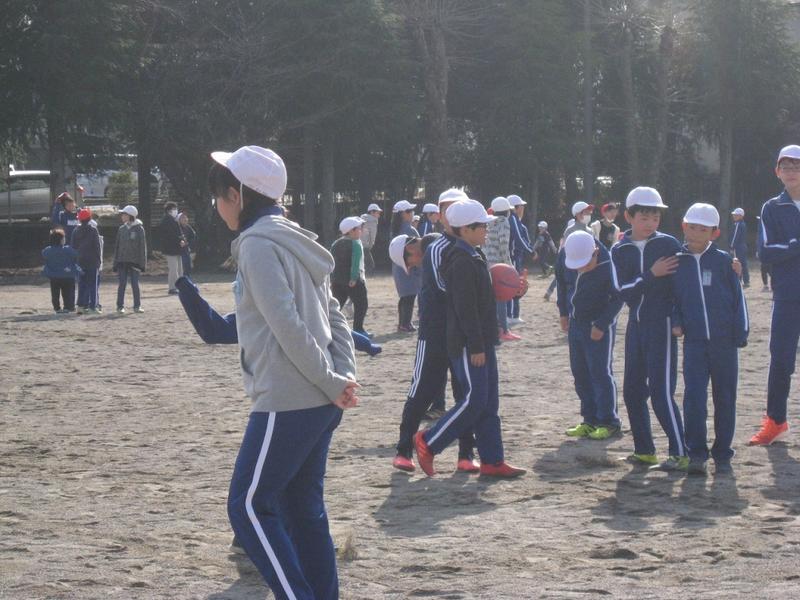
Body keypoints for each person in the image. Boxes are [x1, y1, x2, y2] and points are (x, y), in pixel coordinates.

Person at [209, 145, 358, 600]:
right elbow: (336, 315)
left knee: (248, 506)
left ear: (237, 195)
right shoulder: (296, 238)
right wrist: (342, 376)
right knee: (301, 508)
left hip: (289, 398)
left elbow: (288, 325)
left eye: (219, 195)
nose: (216, 205)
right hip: (321, 396)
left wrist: (334, 382)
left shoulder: (257, 244)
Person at [414, 199, 526, 478]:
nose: (486, 231)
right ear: (464, 230)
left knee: (488, 403)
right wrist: (476, 345)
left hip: (482, 340)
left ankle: (492, 460)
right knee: (474, 400)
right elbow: (465, 309)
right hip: (468, 344)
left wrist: (514, 290)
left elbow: (484, 298)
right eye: (481, 227)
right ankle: (429, 440)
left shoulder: (473, 255)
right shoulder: (461, 261)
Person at [610, 187, 687, 471]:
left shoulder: (668, 244)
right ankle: (644, 451)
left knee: (661, 392)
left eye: (655, 217)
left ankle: (680, 452)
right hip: (636, 325)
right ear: (628, 217)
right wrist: (650, 274)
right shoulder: (619, 249)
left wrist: (677, 318)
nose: (650, 223)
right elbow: (622, 291)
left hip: (662, 325)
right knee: (632, 391)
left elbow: (681, 286)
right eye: (644, 217)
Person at [672, 203, 749, 475]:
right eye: (692, 227)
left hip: (724, 343)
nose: (696, 233)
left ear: (714, 233)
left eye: (702, 229)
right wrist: (677, 321)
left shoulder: (725, 262)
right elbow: (672, 298)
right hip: (694, 344)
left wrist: (740, 332)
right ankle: (696, 452)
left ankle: (723, 452)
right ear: (684, 226)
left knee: (725, 398)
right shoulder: (677, 262)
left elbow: (738, 300)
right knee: (693, 397)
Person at [749, 144, 800, 445]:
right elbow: (765, 252)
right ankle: (776, 422)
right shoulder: (771, 207)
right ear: (777, 172)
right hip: (788, 296)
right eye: (786, 166)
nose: (791, 171)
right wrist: (795, 246)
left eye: (796, 165)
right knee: (781, 358)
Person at [556, 231, 623, 441]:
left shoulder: (608, 264)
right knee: (580, 372)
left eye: (585, 264)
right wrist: (563, 312)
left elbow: (618, 298)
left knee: (600, 373)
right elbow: (561, 282)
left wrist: (602, 324)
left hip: (598, 325)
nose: (581, 269)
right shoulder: (565, 255)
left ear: (595, 252)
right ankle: (589, 419)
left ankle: (609, 422)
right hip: (575, 324)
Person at [485, 196, 521, 342]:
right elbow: (504, 245)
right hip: (498, 264)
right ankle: (503, 330)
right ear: (507, 211)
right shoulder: (504, 222)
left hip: (486, 262)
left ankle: (493, 329)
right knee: (501, 297)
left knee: (491, 298)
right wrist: (510, 267)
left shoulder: (488, 221)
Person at [331, 216, 369, 335]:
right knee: (361, 304)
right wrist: (353, 278)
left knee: (336, 305)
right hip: (354, 281)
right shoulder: (355, 244)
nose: (361, 230)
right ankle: (358, 329)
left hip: (337, 281)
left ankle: (329, 326)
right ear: (351, 230)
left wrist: (332, 278)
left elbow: (331, 261)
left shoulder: (335, 243)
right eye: (359, 228)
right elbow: (355, 263)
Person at [390, 199, 420, 332]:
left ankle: (402, 323)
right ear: (403, 214)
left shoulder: (394, 229)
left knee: (404, 296)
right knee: (410, 296)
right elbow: (419, 249)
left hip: (398, 267)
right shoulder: (410, 230)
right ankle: (405, 324)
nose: (412, 213)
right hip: (410, 267)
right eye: (410, 211)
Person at [506, 194, 535, 325]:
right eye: (521, 207)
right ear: (516, 208)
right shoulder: (512, 218)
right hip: (512, 257)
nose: (523, 209)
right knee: (513, 285)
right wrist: (531, 251)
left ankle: (513, 314)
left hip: (516, 257)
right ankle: (511, 315)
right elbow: (518, 238)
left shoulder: (517, 221)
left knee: (516, 285)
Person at [113, 205, 147, 314]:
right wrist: (115, 262)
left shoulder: (139, 229)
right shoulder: (121, 229)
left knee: (135, 284)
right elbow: (117, 246)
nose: (122, 216)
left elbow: (142, 247)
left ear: (131, 216)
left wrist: (142, 264)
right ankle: (120, 306)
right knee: (122, 284)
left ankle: (137, 306)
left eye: (124, 214)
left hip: (135, 262)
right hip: (122, 261)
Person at [71, 208, 102, 314]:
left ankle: (80, 306)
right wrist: (99, 260)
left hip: (80, 261)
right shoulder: (93, 230)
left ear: (79, 219)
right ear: (89, 218)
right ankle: (93, 306)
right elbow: (97, 247)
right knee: (93, 285)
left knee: (81, 284)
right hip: (92, 261)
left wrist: (75, 261)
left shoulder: (75, 231)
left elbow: (73, 247)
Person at [42, 228, 79, 313]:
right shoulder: (68, 249)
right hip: (67, 276)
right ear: (61, 240)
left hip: (54, 276)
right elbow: (76, 255)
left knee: (55, 293)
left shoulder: (48, 250)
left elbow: (44, 254)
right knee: (68, 293)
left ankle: (57, 308)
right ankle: (68, 307)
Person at [159, 201, 186, 294]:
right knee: (173, 269)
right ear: (169, 211)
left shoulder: (173, 220)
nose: (176, 211)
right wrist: (180, 240)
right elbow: (171, 235)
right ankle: (172, 287)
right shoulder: (166, 221)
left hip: (176, 248)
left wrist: (182, 240)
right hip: (170, 249)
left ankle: (180, 286)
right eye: (174, 209)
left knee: (179, 269)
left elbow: (178, 233)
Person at [359, 203, 382, 274]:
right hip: (365, 246)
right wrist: (370, 246)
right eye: (378, 213)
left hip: (358, 243)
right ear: (372, 212)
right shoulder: (373, 221)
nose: (379, 215)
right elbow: (372, 236)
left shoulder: (361, 219)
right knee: (370, 264)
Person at [729, 207, 749, 288]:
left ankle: (738, 280)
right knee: (743, 263)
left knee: (737, 263)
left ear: (740, 216)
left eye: (736, 215)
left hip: (738, 247)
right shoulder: (743, 224)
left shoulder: (738, 224)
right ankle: (746, 281)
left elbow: (735, 236)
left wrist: (732, 246)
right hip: (743, 246)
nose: (734, 216)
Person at [755, 215, 772, 292]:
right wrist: (758, 251)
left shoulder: (766, 230)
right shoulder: (760, 231)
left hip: (767, 252)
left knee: (768, 269)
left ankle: (770, 285)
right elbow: (759, 242)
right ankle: (766, 285)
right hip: (763, 252)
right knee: (764, 269)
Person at [178, 212, 197, 277]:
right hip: (179, 251)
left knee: (188, 266)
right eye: (183, 218)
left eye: (186, 217)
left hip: (186, 250)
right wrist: (180, 242)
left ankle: (187, 279)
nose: (185, 219)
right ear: (179, 220)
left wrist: (188, 243)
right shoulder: (177, 228)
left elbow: (193, 236)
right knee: (181, 267)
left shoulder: (188, 227)